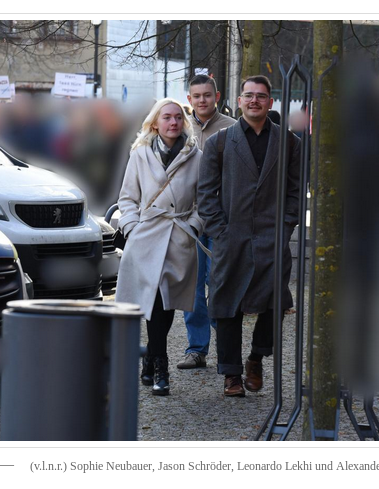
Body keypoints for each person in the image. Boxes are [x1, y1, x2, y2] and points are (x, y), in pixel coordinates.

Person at [197, 75, 301, 397]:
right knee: (227, 305)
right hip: (232, 237)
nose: (254, 100)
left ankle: (256, 358)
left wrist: (285, 227)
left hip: (273, 237)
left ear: (270, 102)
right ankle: (231, 374)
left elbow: (296, 192)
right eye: (249, 95)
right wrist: (221, 233)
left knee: (275, 302)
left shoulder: (289, 143)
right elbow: (205, 194)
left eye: (261, 96)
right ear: (239, 101)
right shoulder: (220, 142)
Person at [115, 98, 203, 396]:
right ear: (154, 123)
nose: (173, 122)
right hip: (146, 237)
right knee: (153, 300)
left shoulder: (196, 156)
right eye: (167, 117)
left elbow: (205, 199)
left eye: (178, 117)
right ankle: (160, 367)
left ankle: (151, 359)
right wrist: (131, 227)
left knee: (166, 302)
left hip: (178, 237)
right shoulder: (140, 153)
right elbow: (127, 197)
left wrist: (194, 226)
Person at [176, 74, 235, 370]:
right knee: (193, 287)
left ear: (217, 96)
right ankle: (196, 348)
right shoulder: (180, 128)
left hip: (222, 218)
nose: (202, 100)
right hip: (190, 219)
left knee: (221, 283)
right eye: (196, 96)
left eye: (207, 95)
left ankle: (225, 343)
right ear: (189, 99)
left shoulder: (232, 129)